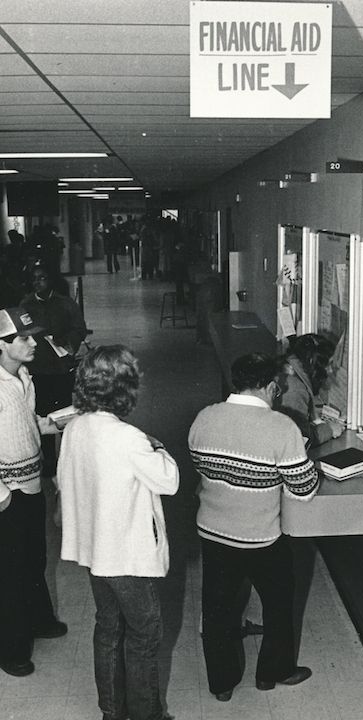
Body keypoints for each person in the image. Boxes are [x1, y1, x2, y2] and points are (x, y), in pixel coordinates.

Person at [57, 345, 179, 720]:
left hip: (95, 551)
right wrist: (160, 448)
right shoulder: (128, 438)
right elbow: (169, 481)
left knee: (108, 629)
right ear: (124, 389)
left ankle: (112, 711)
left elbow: (63, 480)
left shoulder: (75, 428)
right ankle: (147, 715)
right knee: (145, 635)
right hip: (127, 556)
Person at [188, 352, 319, 702]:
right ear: (272, 387)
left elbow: (203, 466)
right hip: (261, 537)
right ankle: (272, 674)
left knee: (216, 611)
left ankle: (221, 685)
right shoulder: (281, 427)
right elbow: (304, 490)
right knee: (278, 606)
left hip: (213, 532)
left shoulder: (204, 417)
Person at [0, 307, 67, 678]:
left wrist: (55, 423)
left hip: (30, 482)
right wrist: (2, 495)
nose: (32, 343)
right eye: (23, 338)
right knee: (9, 570)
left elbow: (26, 424)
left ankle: (39, 619)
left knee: (34, 557)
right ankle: (11, 648)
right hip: (7, 492)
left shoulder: (24, 376)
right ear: (1, 345)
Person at [20, 265, 87, 477]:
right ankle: (49, 460)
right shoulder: (26, 305)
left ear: (51, 280)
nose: (38, 282)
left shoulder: (66, 304)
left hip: (62, 369)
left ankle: (69, 457)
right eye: (34, 279)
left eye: (42, 277)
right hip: (39, 370)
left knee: (66, 415)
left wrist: (68, 342)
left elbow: (79, 328)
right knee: (43, 415)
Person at [276, 333, 345, 446]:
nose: (331, 371)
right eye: (329, 364)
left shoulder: (289, 368)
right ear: (314, 363)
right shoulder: (294, 388)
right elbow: (300, 439)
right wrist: (329, 429)